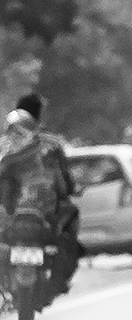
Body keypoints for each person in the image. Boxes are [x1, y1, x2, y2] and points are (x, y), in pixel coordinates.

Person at [0, 94, 82, 295]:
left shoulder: (4, 146)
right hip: (43, 215)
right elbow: (65, 181)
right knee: (68, 227)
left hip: (14, 216)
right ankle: (58, 280)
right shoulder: (50, 144)